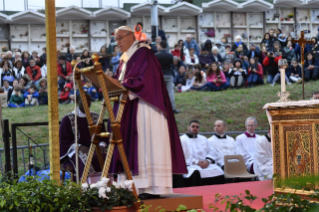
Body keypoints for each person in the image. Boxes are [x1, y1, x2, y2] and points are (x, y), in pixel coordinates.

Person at [112, 26, 187, 198]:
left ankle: (151, 187)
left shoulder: (143, 53)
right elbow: (119, 81)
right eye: (116, 39)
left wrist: (123, 86)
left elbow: (144, 80)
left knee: (145, 145)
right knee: (135, 145)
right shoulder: (125, 58)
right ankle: (132, 187)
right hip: (130, 106)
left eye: (120, 38)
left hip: (146, 106)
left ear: (131, 37)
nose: (118, 43)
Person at [59, 92, 107, 181]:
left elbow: (103, 135)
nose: (87, 102)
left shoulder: (96, 117)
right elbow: (64, 140)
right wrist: (79, 147)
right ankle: (85, 187)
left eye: (89, 100)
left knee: (106, 156)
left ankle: (106, 185)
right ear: (77, 101)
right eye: (84, 99)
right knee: (84, 160)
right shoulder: (68, 119)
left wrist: (102, 145)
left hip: (95, 148)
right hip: (76, 150)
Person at [179, 120, 224, 187]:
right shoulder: (182, 139)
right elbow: (183, 156)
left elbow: (212, 151)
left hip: (205, 164)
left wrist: (207, 161)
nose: (195, 128)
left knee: (218, 170)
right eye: (193, 126)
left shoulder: (203, 139)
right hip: (191, 165)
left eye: (197, 127)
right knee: (195, 172)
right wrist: (197, 162)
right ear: (188, 127)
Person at [155, 41, 179, 113]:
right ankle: (173, 108)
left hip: (160, 75)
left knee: (159, 92)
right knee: (170, 92)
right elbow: (172, 65)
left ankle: (159, 107)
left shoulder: (156, 55)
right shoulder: (170, 55)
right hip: (169, 75)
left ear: (160, 46)